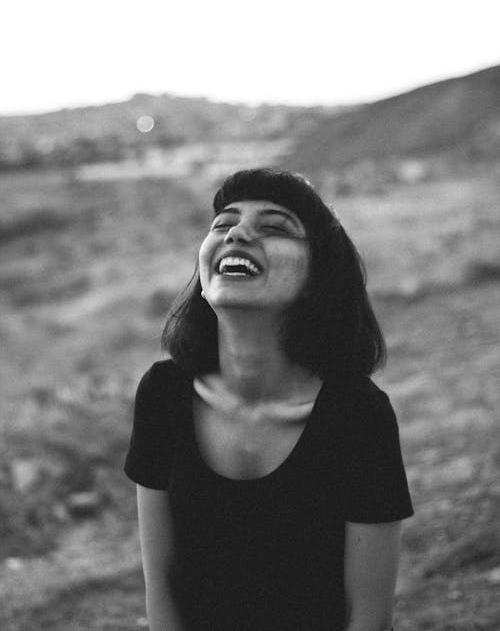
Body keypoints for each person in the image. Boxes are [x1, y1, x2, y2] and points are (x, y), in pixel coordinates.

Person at [124, 167, 414, 631]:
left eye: (275, 227)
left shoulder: (358, 415)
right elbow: (161, 586)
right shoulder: (164, 395)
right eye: (223, 224)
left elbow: (370, 619)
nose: (237, 233)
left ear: (319, 273)